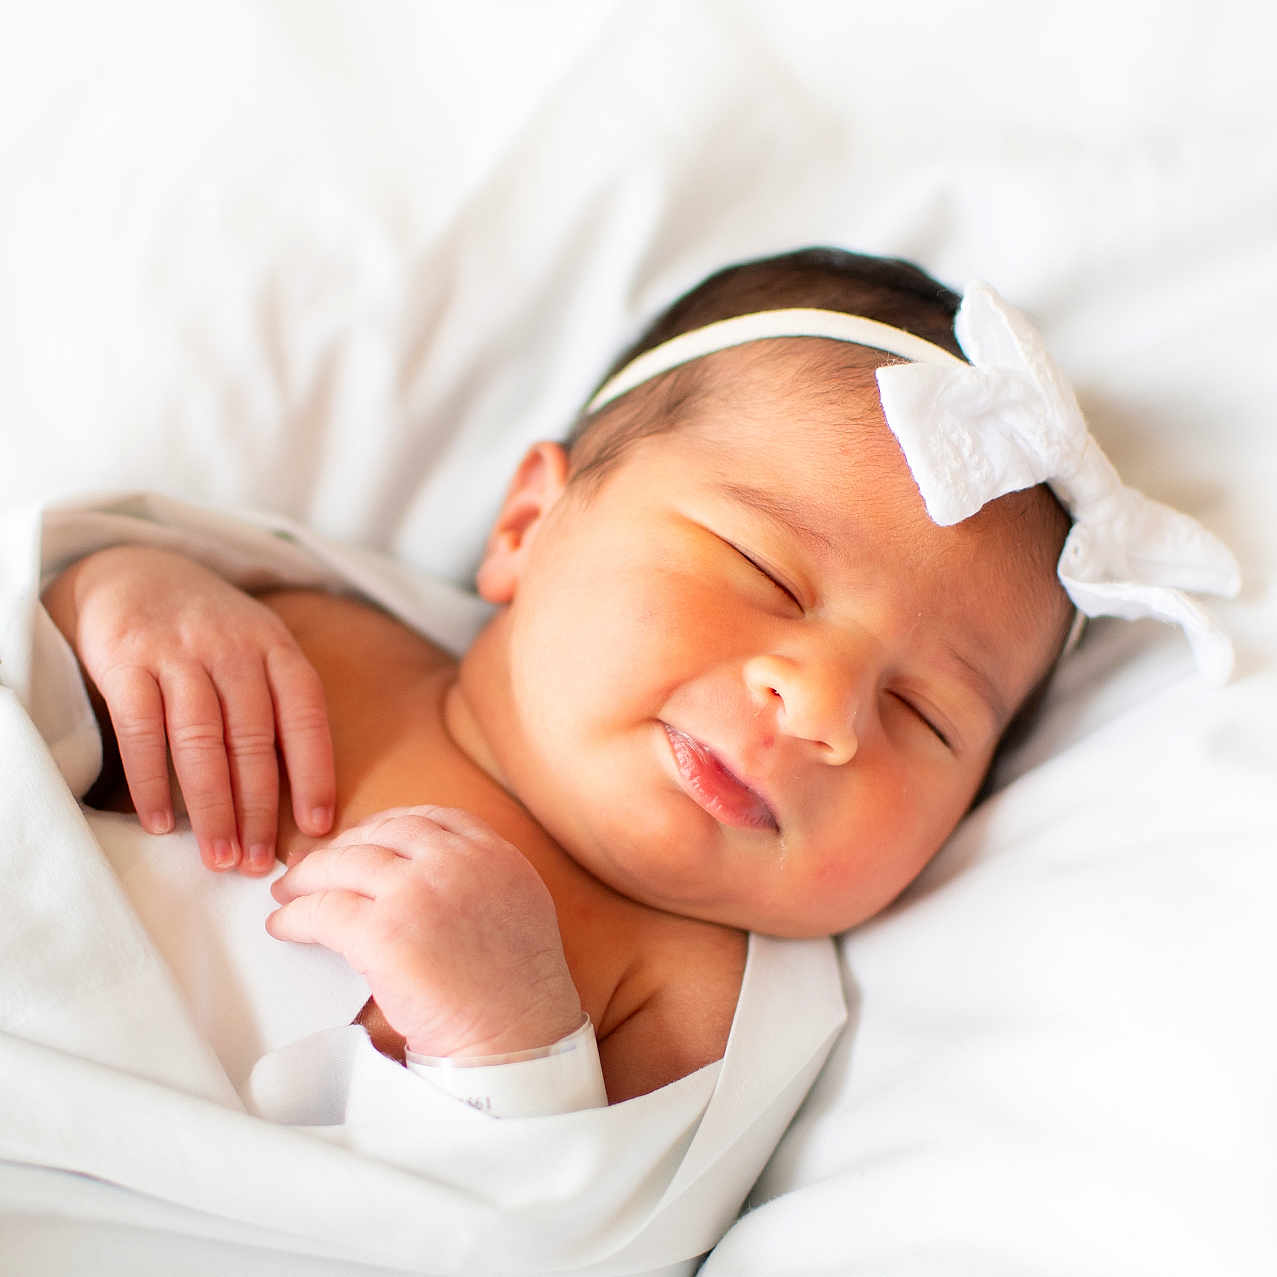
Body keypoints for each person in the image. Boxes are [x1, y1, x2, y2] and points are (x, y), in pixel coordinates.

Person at [42, 247, 1230, 1109]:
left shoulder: (704, 1003)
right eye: (761, 570)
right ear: (527, 522)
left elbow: (581, 1238)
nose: (816, 705)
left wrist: (512, 1048)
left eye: (923, 713)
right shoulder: (309, 617)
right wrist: (113, 598)